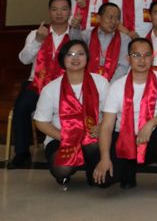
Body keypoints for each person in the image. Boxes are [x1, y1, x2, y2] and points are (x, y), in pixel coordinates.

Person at [93, 37, 157, 195]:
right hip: (126, 140)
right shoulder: (117, 86)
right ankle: (128, 170)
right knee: (104, 181)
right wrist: (105, 158)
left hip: (152, 138)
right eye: (136, 55)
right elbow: (107, 126)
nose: (142, 60)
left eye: (146, 55)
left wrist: (150, 124)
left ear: (152, 57)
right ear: (128, 58)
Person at [32, 39, 110, 188]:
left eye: (80, 54)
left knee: (94, 149)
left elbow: (110, 113)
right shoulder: (50, 89)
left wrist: (101, 126)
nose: (75, 58)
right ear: (63, 59)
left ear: (87, 57)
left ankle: (92, 169)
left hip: (93, 137)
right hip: (60, 138)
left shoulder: (101, 82)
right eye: (70, 54)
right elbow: (41, 122)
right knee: (62, 169)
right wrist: (66, 137)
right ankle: (68, 170)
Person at [11, 0, 74, 168]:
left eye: (64, 9)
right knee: (21, 108)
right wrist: (38, 41)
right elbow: (24, 60)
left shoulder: (75, 35)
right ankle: (22, 153)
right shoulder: (36, 33)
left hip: (64, 85)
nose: (59, 13)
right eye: (55, 9)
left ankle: (70, 146)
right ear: (49, 12)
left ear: (70, 12)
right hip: (37, 84)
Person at [77, 2, 131, 82]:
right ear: (99, 18)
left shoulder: (125, 39)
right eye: (110, 17)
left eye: (117, 18)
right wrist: (75, 28)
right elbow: (75, 42)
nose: (114, 22)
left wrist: (110, 85)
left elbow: (123, 66)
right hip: (86, 82)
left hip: (113, 84)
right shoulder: (87, 35)